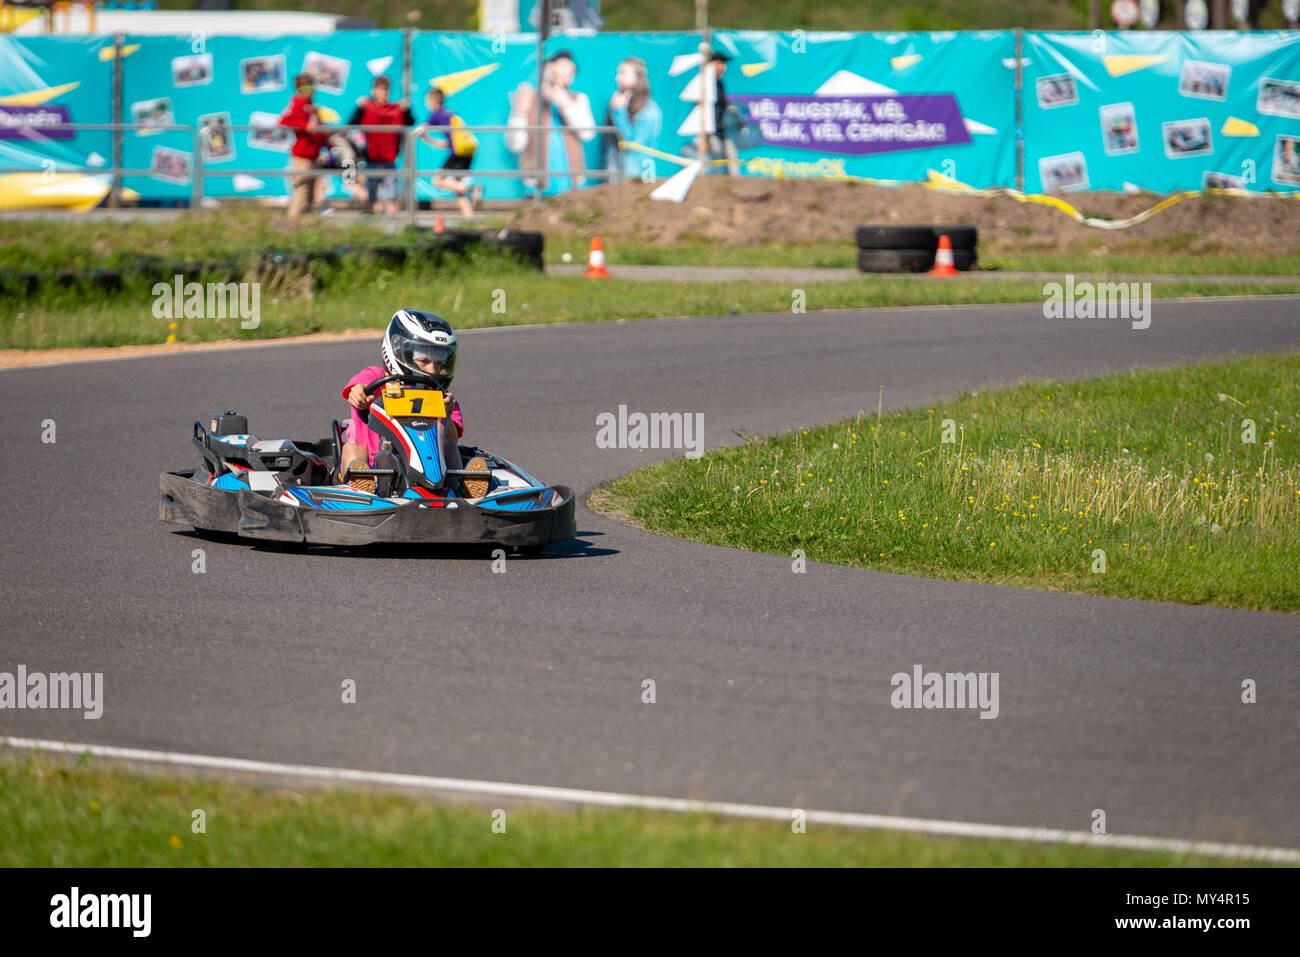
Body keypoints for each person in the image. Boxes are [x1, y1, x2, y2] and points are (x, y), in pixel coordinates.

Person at [339, 309, 490, 499]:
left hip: (426, 466)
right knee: (351, 449)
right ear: (400, 351)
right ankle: (360, 487)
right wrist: (360, 394)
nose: (433, 370)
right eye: (424, 361)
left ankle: (462, 487)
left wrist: (447, 413)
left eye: (439, 363)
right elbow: (356, 388)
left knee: (451, 444)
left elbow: (452, 436)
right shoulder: (377, 377)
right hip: (372, 464)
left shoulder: (442, 397)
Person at [505, 50, 596, 193]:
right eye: (561, 67)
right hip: (535, 187)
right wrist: (519, 113)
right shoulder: (528, 97)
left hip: (573, 186)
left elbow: (587, 134)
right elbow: (515, 145)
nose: (565, 73)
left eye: (570, 69)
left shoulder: (578, 99)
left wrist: (563, 102)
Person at [349, 76, 415, 216]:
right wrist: (359, 107)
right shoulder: (368, 107)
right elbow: (352, 122)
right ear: (374, 91)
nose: (384, 93)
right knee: (370, 194)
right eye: (381, 89)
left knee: (392, 196)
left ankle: (394, 228)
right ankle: (373, 228)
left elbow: (410, 122)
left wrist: (407, 109)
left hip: (389, 159)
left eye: (386, 90)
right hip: (372, 159)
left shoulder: (396, 109)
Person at [422, 88, 483, 220]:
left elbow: (422, 128)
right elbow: (447, 143)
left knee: (437, 180)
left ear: (434, 101)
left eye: (427, 100)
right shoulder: (450, 114)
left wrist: (418, 133)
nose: (426, 103)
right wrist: (429, 140)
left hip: (457, 154)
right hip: (466, 153)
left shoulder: (437, 114)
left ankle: (471, 189)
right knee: (457, 190)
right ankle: (469, 219)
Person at [279, 74, 331, 217]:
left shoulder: (312, 107)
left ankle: (302, 228)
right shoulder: (297, 104)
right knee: (301, 195)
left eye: (313, 87)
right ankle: (291, 226)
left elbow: (317, 128)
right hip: (302, 157)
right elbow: (284, 122)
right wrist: (305, 125)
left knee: (309, 199)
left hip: (313, 155)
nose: (312, 91)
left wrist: (327, 134)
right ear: (301, 89)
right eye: (308, 88)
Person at [604, 56, 661, 181]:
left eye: (623, 73)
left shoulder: (649, 111)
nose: (617, 78)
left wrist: (619, 112)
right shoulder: (619, 104)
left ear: (638, 77)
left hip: (636, 179)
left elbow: (631, 145)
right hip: (615, 177)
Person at [708, 51, 739, 176]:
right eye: (719, 63)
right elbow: (700, 110)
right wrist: (704, 136)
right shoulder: (705, 84)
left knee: (731, 153)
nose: (723, 67)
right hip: (709, 131)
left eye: (723, 64)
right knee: (716, 159)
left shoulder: (720, 84)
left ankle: (735, 185)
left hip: (722, 130)